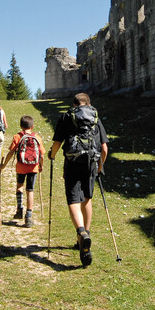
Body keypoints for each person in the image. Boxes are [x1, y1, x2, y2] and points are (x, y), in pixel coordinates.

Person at [49, 92, 108, 266]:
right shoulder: (95, 118)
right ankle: (86, 234)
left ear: (74, 104)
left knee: (73, 200)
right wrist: (100, 166)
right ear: (89, 104)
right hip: (91, 162)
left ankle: (81, 233)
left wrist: (51, 155)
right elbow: (104, 148)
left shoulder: (67, 116)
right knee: (87, 199)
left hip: (72, 161)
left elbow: (57, 143)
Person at [0, 115, 45, 228]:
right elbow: (42, 154)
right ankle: (28, 217)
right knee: (30, 190)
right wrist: (41, 166)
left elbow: (11, 153)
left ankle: (19, 209)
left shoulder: (18, 136)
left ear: (21, 126)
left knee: (20, 186)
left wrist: (3, 165)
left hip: (21, 166)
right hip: (33, 167)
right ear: (32, 126)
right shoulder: (37, 137)